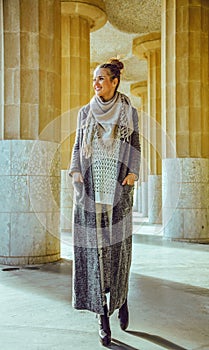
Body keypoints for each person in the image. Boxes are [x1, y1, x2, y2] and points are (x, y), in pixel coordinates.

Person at [69, 58, 141, 347]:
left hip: (119, 188)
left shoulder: (129, 113)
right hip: (90, 189)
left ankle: (120, 300)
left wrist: (134, 171)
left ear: (114, 82)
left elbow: (135, 144)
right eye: (94, 79)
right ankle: (102, 315)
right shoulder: (86, 112)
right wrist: (75, 170)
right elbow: (77, 144)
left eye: (101, 78)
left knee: (118, 250)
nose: (96, 83)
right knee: (94, 251)